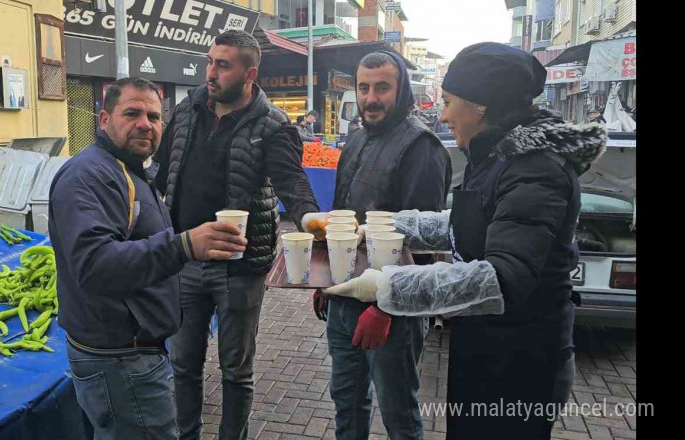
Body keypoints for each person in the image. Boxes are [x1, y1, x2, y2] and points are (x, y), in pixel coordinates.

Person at [324, 42, 607, 439]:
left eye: (449, 101)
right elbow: (461, 224)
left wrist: (389, 287)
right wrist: (377, 227)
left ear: (482, 106)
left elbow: (503, 278)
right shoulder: (494, 158)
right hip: (484, 346)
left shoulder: (535, 169)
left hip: (520, 365)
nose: (441, 114)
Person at [49, 77, 249, 440]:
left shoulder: (132, 171)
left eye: (155, 117)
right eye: (133, 113)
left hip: (134, 354)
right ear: (104, 119)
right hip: (119, 359)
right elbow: (94, 264)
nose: (146, 124)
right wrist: (183, 246)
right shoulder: (89, 176)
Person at [154, 30, 321, 440]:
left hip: (240, 267)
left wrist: (311, 219)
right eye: (210, 61)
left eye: (223, 65)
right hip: (186, 259)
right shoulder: (187, 109)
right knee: (183, 367)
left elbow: (292, 184)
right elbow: (159, 172)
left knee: (235, 372)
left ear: (250, 73)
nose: (210, 72)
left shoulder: (274, 124)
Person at [304, 50, 451, 440]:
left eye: (382, 88)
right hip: (344, 299)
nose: (371, 98)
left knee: (398, 413)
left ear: (401, 90)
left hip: (392, 312)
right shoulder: (354, 140)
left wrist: (384, 308)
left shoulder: (422, 148)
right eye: (364, 87)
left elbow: (421, 244)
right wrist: (326, 282)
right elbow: (341, 219)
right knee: (347, 402)